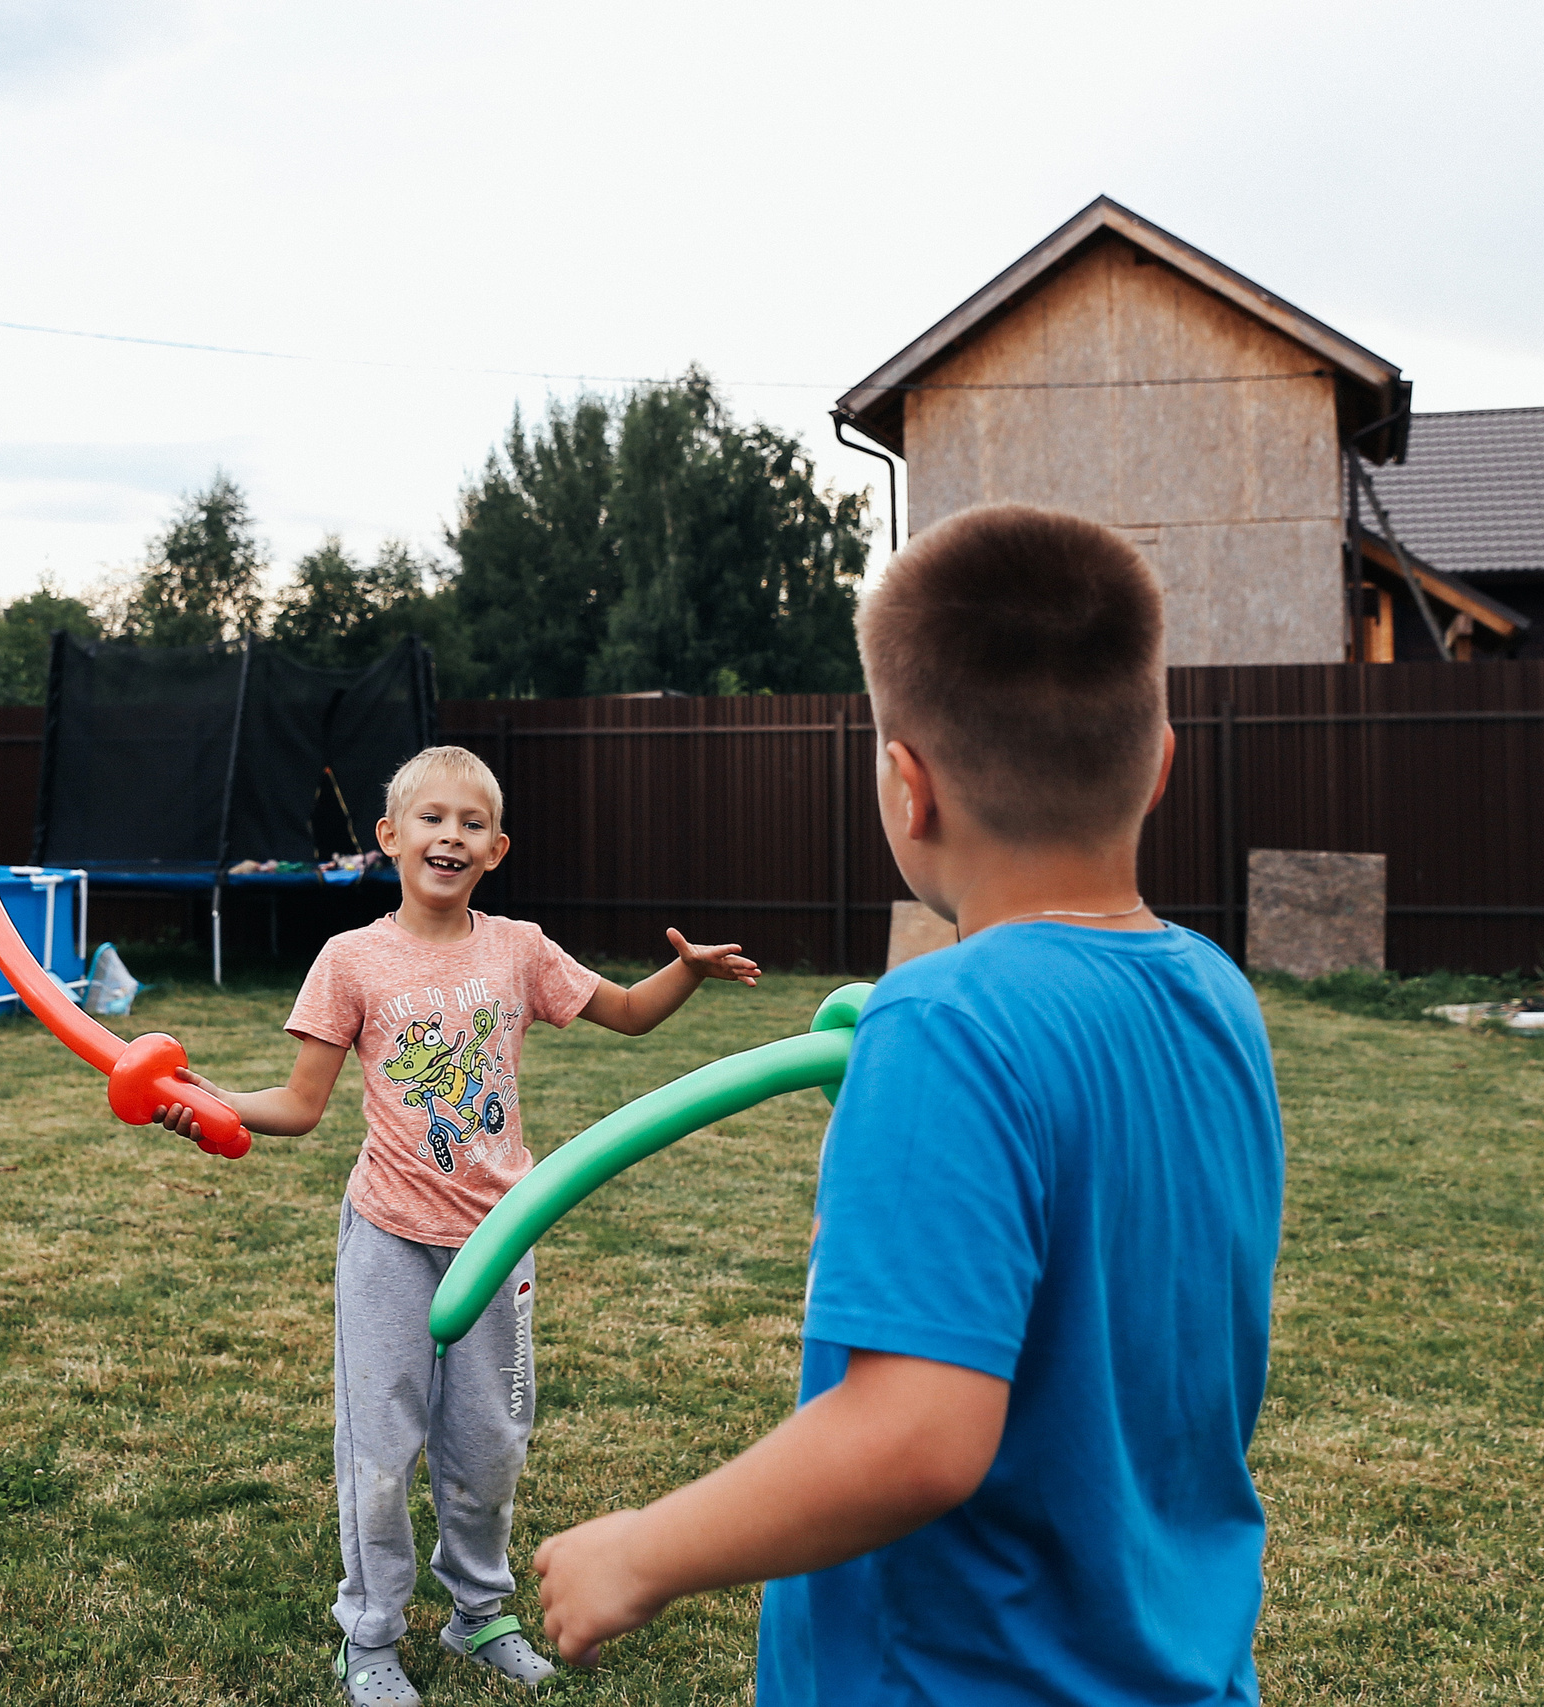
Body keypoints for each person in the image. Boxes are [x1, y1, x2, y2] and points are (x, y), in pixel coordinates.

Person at [530, 504, 1288, 1705]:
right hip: (1180, 1669)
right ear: (1159, 764)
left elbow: (916, 1432)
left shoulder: (941, 1024)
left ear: (905, 787)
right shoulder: (1215, 996)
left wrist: (641, 1551)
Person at [153, 744, 761, 1707]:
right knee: (381, 1447)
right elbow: (302, 1104)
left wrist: (682, 974)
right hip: (390, 1233)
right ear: (390, 837)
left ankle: (480, 1610)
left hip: (500, 1238)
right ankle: (372, 1635)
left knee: (488, 1444)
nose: (451, 836)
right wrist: (210, 1100)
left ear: (497, 848)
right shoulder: (349, 959)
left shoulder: (519, 948)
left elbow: (632, 1014)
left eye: (472, 824)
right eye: (431, 819)